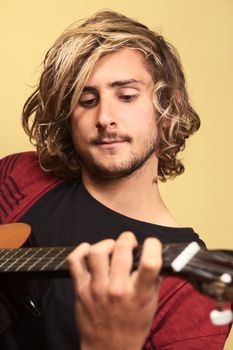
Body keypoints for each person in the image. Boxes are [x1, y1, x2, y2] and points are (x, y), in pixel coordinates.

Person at [0, 10, 231, 350]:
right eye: (87, 100)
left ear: (167, 107)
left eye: (126, 96)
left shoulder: (189, 292)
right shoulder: (19, 176)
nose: (105, 117)